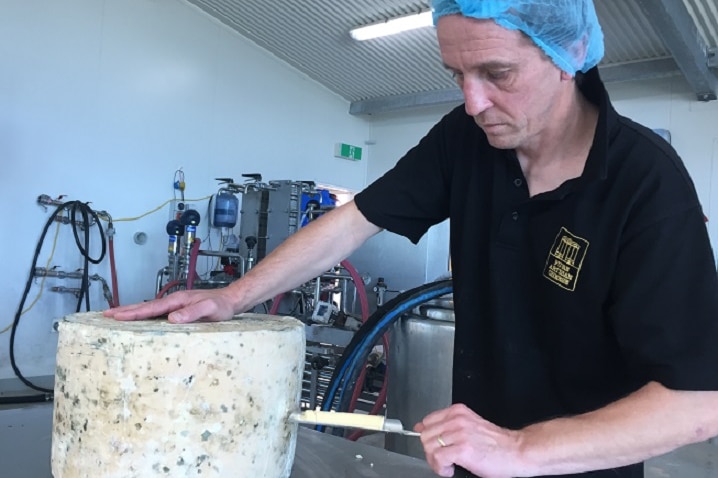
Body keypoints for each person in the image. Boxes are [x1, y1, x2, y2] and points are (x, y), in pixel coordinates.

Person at [105, 0, 718, 476]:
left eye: (496, 73)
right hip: (469, 461)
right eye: (456, 73)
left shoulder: (644, 181)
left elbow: (697, 406)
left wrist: (522, 448)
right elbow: (354, 220)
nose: (473, 101)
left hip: (572, 467)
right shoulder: (466, 141)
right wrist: (233, 298)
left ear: (569, 54)